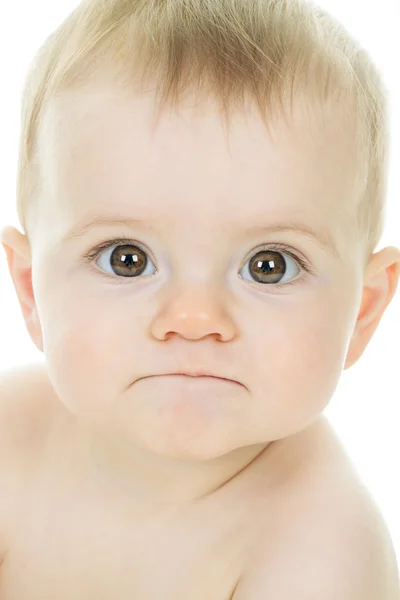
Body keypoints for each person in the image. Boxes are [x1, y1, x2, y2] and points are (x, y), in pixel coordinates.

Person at [0, 0, 399, 597]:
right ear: (32, 290)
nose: (193, 320)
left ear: (362, 311)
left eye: (269, 266)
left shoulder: (323, 553)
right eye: (126, 259)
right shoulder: (10, 433)